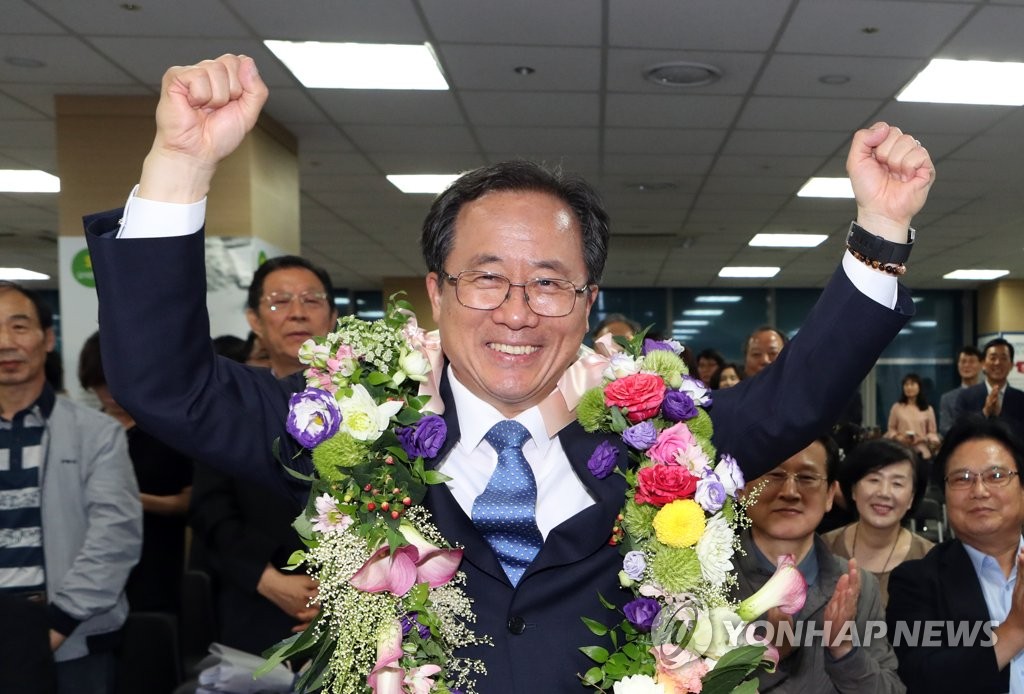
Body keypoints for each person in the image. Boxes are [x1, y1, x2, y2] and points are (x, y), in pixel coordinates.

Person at [82, 55, 933, 691]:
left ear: (588, 301)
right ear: (436, 293)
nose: (517, 312)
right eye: (486, 278)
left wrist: (881, 230)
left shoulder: (664, 440)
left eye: (551, 282)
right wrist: (179, 166)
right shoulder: (349, 429)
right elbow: (167, 385)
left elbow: (802, 394)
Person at [0, 281, 142, 694]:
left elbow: (115, 536)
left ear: (47, 338)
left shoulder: (96, 433)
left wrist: (59, 624)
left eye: (19, 326)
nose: (6, 342)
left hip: (71, 635)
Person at [189, 255, 335, 656]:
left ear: (332, 317)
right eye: (279, 301)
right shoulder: (228, 408)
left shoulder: (371, 405)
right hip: (260, 604)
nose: (297, 313)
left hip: (360, 612)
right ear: (254, 320)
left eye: (311, 300)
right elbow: (210, 508)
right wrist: (268, 580)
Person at [736, 437, 904, 692]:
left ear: (830, 495)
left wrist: (844, 651)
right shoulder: (707, 576)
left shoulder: (856, 586)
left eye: (807, 478)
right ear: (743, 488)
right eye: (775, 475)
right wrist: (770, 656)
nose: (790, 492)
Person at [887, 416, 1024, 693]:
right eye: (962, 479)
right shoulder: (917, 582)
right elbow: (921, 678)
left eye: (996, 476)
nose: (979, 491)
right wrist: (1015, 630)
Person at [78, 331, 192, 614]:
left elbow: (189, 502)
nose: (109, 394)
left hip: (156, 562)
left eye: (114, 383)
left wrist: (129, 499)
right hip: (94, 565)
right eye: (99, 385)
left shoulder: (167, 432)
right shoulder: (84, 433)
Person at [821, 438, 934, 605]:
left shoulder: (929, 559)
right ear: (853, 489)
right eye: (874, 480)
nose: (884, 493)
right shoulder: (823, 548)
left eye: (897, 483)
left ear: (912, 498)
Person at [955, 337, 1024, 440]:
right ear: (983, 364)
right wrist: (985, 412)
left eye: (1003, 358)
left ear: (1011, 365)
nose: (997, 363)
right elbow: (959, 432)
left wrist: (1000, 415)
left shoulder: (1021, 398)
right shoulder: (966, 396)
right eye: (993, 358)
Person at [885, 373, 940, 460]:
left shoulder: (928, 409)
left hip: (922, 451)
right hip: (901, 450)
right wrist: (899, 437)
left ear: (919, 387)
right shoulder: (897, 407)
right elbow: (891, 429)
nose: (909, 387)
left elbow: (932, 432)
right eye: (906, 384)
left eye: (912, 384)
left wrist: (922, 438)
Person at [938, 345, 983, 435]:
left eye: (971, 362)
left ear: (981, 365)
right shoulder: (947, 398)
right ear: (958, 365)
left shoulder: (988, 394)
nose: (966, 365)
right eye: (963, 362)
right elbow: (944, 428)